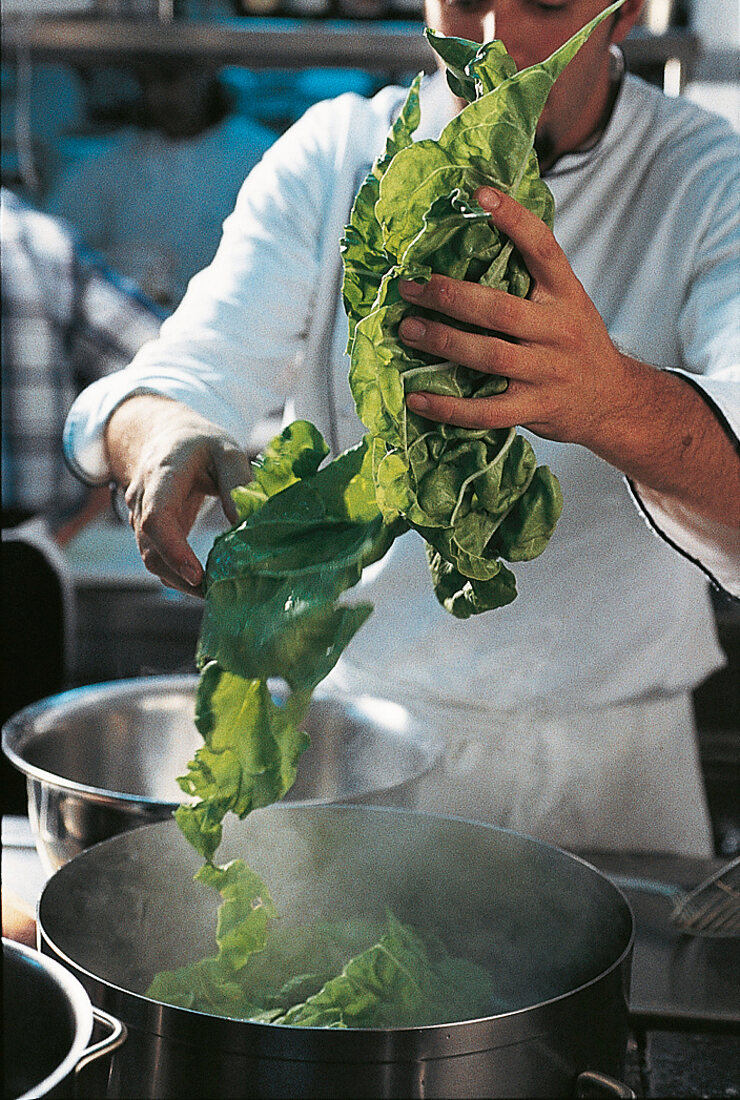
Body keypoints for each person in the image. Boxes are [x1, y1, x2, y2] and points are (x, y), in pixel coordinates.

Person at [62, 0, 740, 857]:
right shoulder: (338, 154)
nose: (492, 40)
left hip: (617, 767)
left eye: (543, 5)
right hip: (371, 747)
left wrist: (610, 399)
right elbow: (182, 374)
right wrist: (161, 436)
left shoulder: (706, 174)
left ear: (630, 11)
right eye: (461, 0)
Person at [1, 188, 164, 810]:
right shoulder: (33, 242)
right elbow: (155, 368)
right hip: (19, 566)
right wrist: (63, 525)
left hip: (22, 555)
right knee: (12, 810)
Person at [44, 61, 277, 309]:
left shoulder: (262, 158)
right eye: (147, 83)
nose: (158, 96)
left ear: (206, 73)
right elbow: (59, 252)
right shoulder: (107, 166)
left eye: (170, 79)